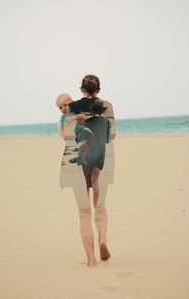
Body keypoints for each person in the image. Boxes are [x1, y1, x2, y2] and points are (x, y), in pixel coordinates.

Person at [57, 75, 116, 267]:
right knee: (100, 205)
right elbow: (112, 134)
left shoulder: (71, 108)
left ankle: (91, 260)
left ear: (82, 89)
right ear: (97, 90)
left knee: (83, 213)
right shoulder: (107, 106)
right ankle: (103, 238)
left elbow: (67, 135)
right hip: (101, 157)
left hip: (77, 159)